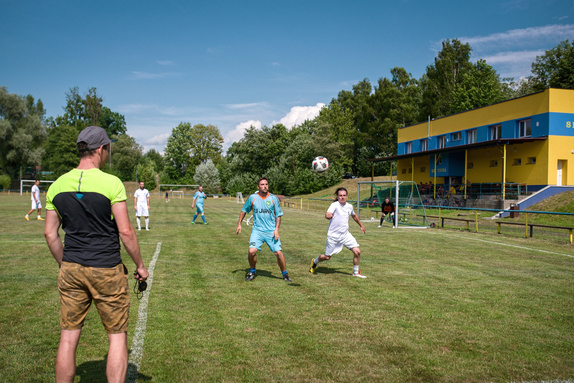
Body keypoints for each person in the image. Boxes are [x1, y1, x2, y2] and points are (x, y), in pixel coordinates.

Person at [43, 125, 149, 383]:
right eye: (107, 149)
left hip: (71, 268)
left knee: (68, 337)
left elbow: (50, 233)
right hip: (106, 269)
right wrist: (140, 266)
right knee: (116, 336)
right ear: (100, 149)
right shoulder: (111, 183)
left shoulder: (56, 185)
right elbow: (126, 232)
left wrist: (64, 263)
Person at [236, 177, 291, 282]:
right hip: (257, 231)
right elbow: (243, 211)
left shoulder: (273, 198)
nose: (265, 186)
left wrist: (276, 230)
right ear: (258, 186)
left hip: (271, 231)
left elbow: (278, 216)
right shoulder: (252, 198)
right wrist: (239, 224)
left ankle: (285, 274)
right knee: (251, 251)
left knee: (279, 253)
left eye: (266, 184)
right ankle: (252, 271)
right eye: (262, 184)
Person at [309, 187, 367, 278]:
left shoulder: (349, 206)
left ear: (347, 196)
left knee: (357, 252)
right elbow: (328, 214)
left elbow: (354, 216)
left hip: (345, 234)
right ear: (337, 196)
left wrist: (361, 225)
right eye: (340, 195)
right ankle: (315, 261)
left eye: (344, 195)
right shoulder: (334, 205)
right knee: (327, 257)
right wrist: (328, 215)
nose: (342, 197)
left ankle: (355, 272)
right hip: (333, 236)